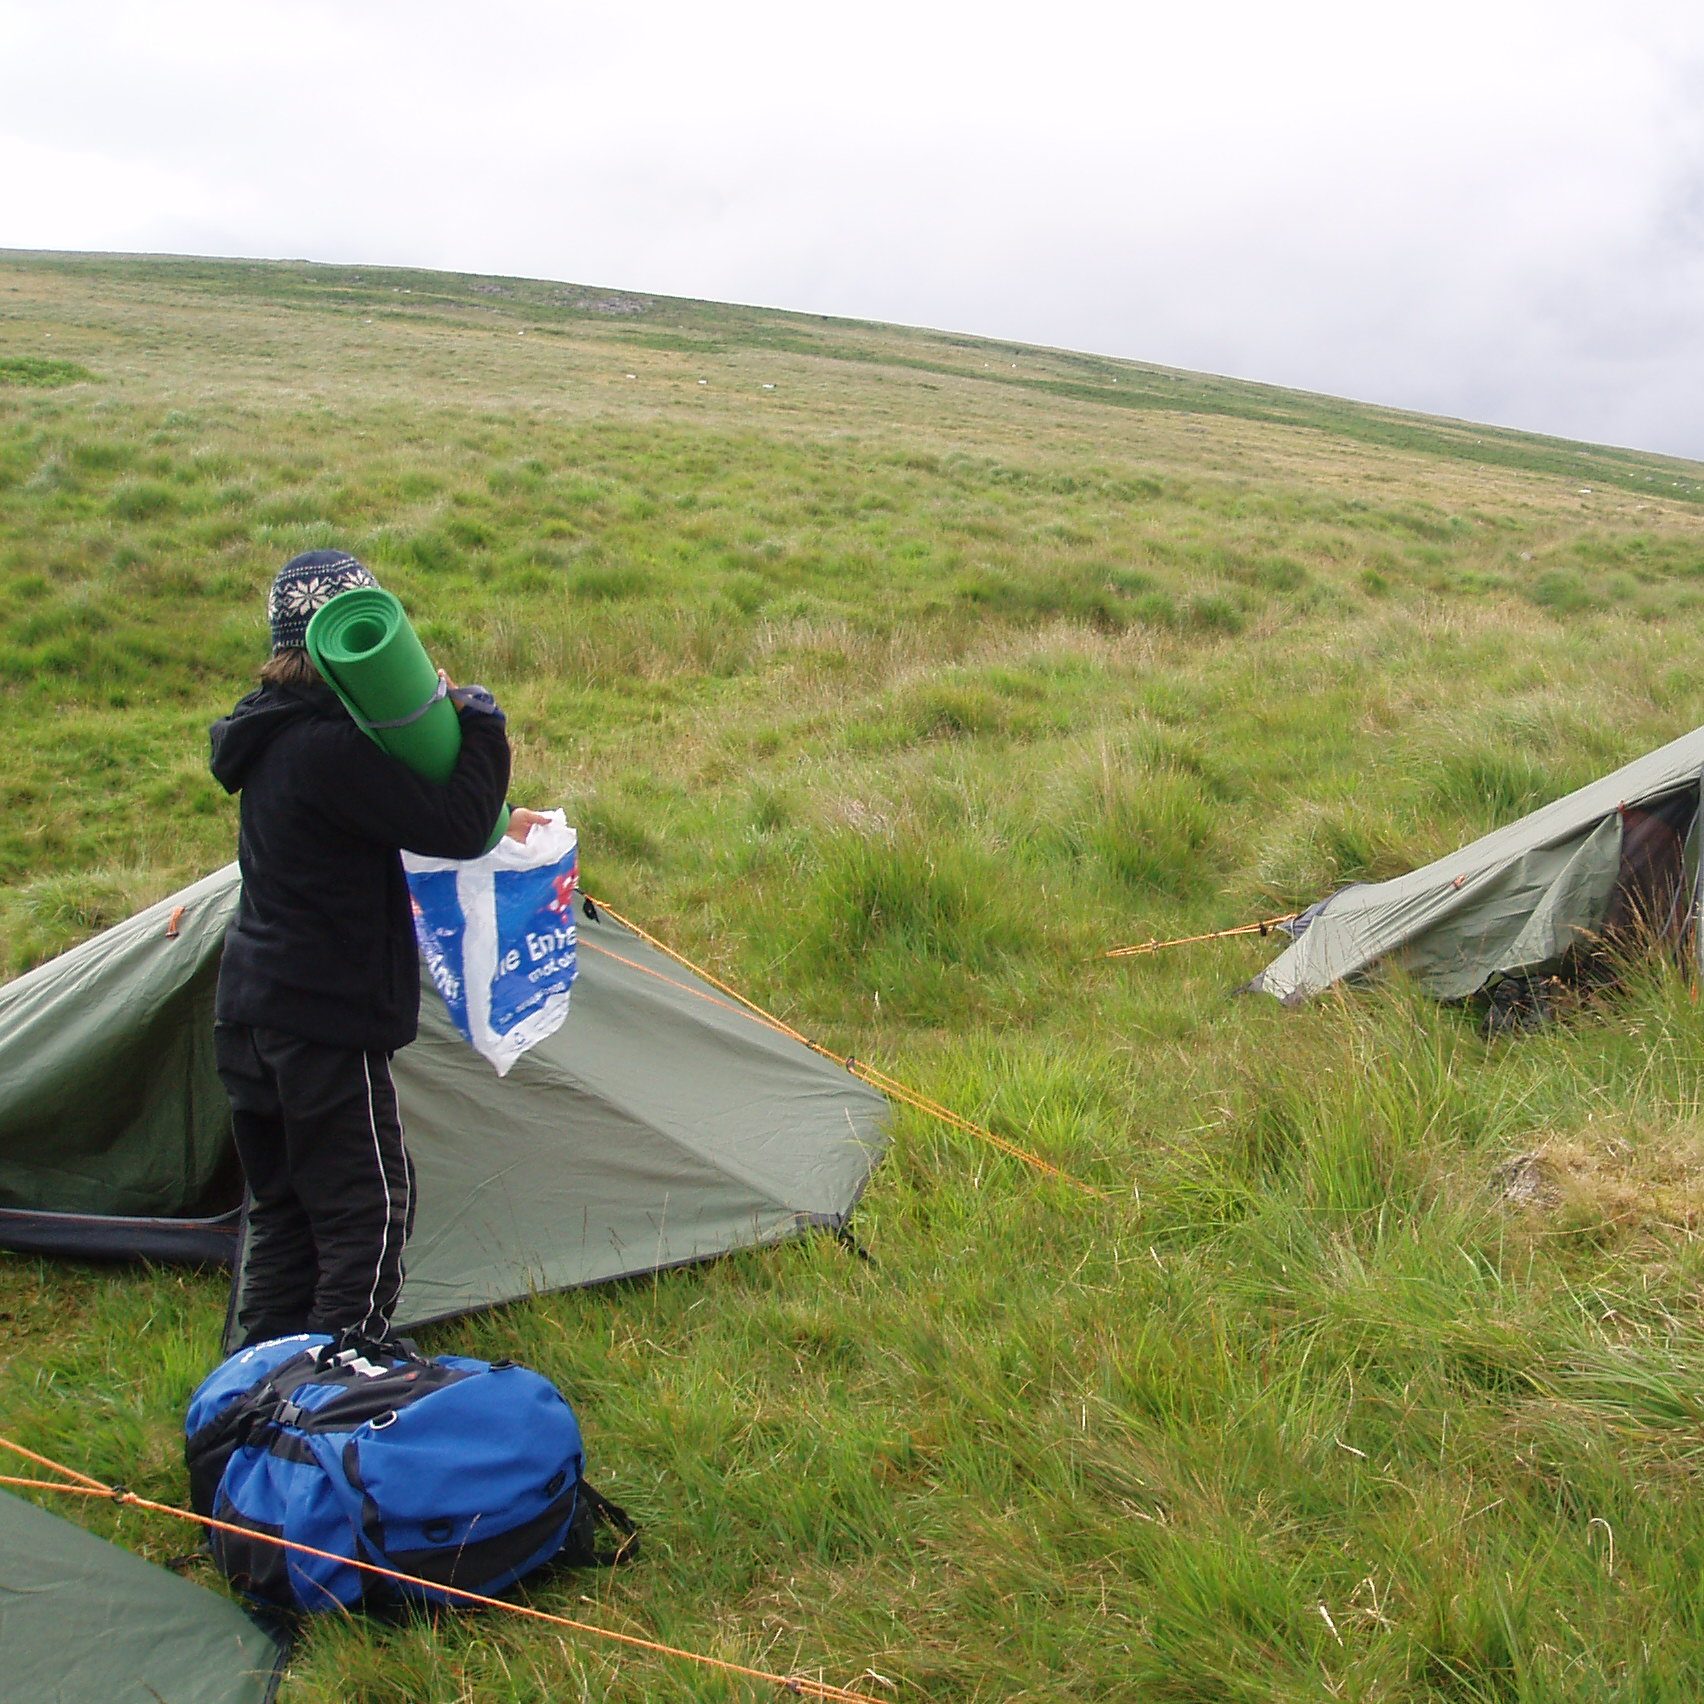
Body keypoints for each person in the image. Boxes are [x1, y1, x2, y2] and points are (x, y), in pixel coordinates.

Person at [209, 549, 544, 1349]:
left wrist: (508, 822)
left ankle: (258, 1393)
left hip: (253, 1009)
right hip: (323, 1020)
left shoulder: (272, 733)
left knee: (287, 1217)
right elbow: (455, 825)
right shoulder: (328, 748)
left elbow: (403, 820)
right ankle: (336, 1388)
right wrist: (480, 718)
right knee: (369, 1215)